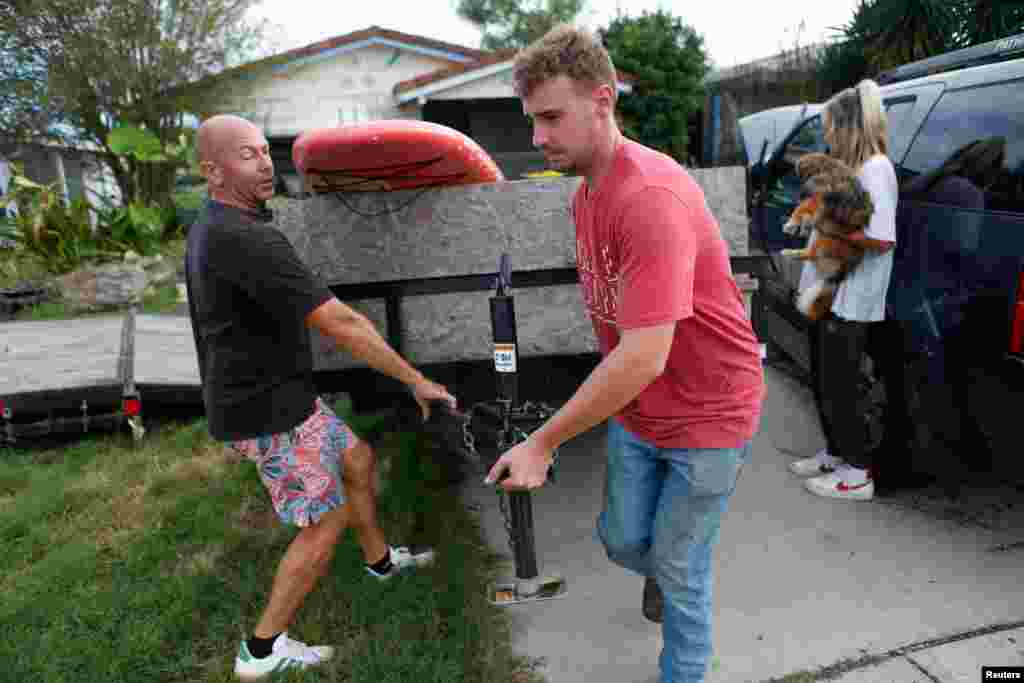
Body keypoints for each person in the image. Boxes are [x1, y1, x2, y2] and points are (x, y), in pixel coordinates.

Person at [484, 25, 766, 683]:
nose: (537, 137)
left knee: (681, 567)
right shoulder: (586, 194)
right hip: (642, 414)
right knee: (621, 539)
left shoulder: (649, 198)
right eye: (533, 120)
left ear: (603, 101)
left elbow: (643, 354)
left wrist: (543, 441)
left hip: (710, 415)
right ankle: (665, 570)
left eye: (551, 117)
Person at [183, 114, 457, 680]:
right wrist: (414, 379)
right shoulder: (244, 237)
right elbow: (342, 322)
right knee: (323, 523)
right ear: (213, 172)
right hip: (268, 411)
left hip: (286, 398)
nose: (264, 163)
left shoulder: (217, 223)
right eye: (245, 155)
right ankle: (260, 651)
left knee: (356, 458)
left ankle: (380, 563)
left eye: (264, 151)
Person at [788, 80, 900, 500]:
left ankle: (857, 474)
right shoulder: (854, 168)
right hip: (829, 294)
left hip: (851, 299)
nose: (827, 135)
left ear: (850, 126)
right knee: (823, 378)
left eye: (831, 126)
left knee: (843, 385)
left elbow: (882, 238)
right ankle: (836, 454)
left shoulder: (876, 170)